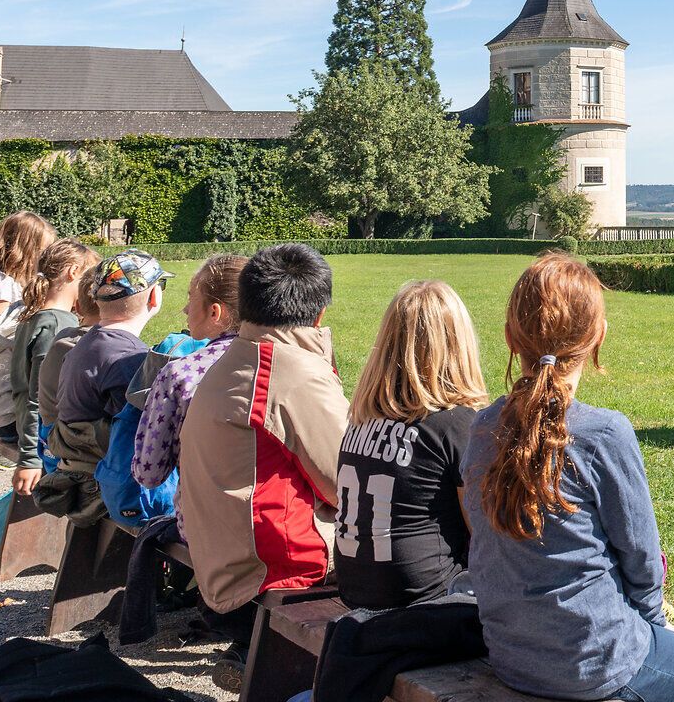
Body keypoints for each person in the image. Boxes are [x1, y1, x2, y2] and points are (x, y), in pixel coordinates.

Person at [466, 251, 674, 702]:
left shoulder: (482, 428)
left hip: (512, 656)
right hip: (594, 660)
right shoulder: (603, 433)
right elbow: (641, 558)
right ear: (598, 338)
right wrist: (655, 628)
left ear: (510, 338)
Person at [179, 242, 345, 660]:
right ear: (320, 313)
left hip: (221, 560)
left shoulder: (234, 359)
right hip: (268, 572)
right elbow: (346, 483)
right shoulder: (288, 372)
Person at [334, 279, 488, 610]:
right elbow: (485, 536)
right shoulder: (456, 425)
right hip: (426, 603)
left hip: (354, 591)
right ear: (459, 345)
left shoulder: (359, 421)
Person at [43, 249, 168, 509]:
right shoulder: (129, 358)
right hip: (103, 489)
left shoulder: (84, 342)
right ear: (154, 297)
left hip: (78, 475)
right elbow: (135, 438)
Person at [131, 253, 248, 530]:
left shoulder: (180, 374)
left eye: (190, 298)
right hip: (277, 524)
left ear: (215, 312)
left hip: (206, 527)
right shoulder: (290, 362)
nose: (184, 309)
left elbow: (148, 473)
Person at [9, 240, 101, 496]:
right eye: (90, 277)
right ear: (73, 272)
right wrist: (29, 458)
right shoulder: (58, 325)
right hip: (43, 440)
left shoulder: (35, 315)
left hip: (30, 429)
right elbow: (36, 398)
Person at [0, 212, 57, 443]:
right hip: (9, 409)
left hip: (8, 405)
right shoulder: (3, 285)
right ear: (26, 250)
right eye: (44, 251)